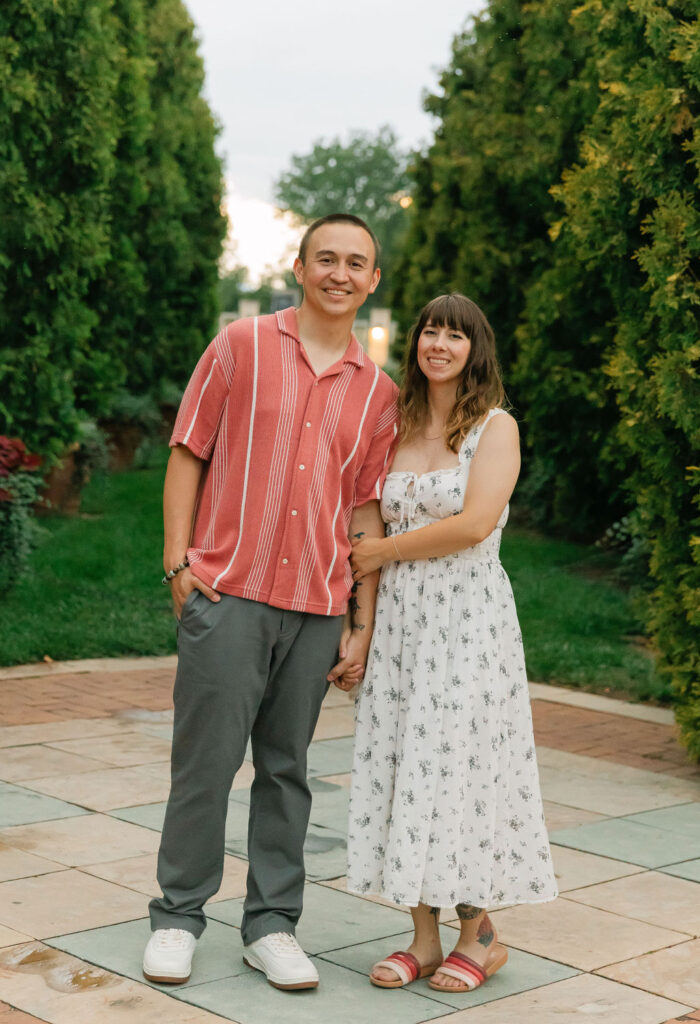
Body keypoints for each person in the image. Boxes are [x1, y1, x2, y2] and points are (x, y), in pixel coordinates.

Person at [143, 213, 398, 991]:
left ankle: (272, 926)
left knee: (287, 772)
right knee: (205, 765)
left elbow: (363, 514)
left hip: (318, 607)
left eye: (356, 262)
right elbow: (189, 451)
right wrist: (177, 566)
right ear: (299, 266)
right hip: (230, 595)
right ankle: (179, 917)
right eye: (327, 258)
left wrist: (362, 621)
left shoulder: (378, 393)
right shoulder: (241, 347)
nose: (340, 274)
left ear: (374, 279)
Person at [346, 293, 557, 993]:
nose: (439, 343)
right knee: (406, 764)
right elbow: (363, 525)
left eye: (455, 334)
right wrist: (363, 626)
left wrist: (381, 552)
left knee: (463, 771)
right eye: (430, 330)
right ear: (416, 344)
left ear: (476, 350)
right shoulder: (395, 426)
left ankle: (480, 934)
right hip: (404, 624)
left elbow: (474, 525)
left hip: (468, 624)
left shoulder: (495, 428)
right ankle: (423, 937)